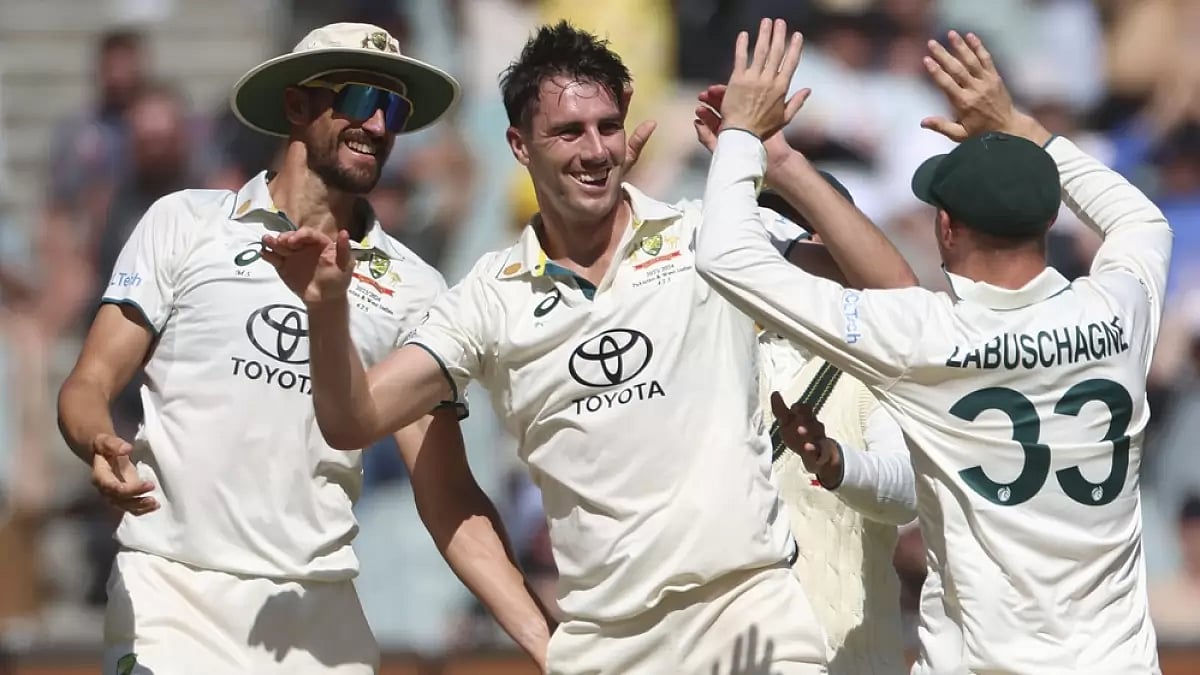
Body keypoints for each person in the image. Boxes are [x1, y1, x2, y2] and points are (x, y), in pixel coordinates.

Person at [261, 20, 917, 675]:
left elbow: (894, 291)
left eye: (608, 126)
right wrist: (327, 307)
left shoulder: (704, 235)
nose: (596, 150)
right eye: (568, 132)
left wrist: (783, 163)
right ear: (519, 146)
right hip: (605, 646)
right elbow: (353, 420)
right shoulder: (489, 297)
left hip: (752, 620)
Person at [57, 23, 550, 675]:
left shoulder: (416, 289)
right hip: (171, 594)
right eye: (359, 98)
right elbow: (89, 381)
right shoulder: (184, 223)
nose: (378, 124)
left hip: (321, 621)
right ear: (296, 105)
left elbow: (448, 494)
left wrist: (550, 644)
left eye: (394, 107)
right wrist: (97, 440)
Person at [696, 20, 1169, 674]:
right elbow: (1141, 220)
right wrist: (1018, 127)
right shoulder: (1120, 309)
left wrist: (746, 138)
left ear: (945, 228)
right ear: (1048, 217)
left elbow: (725, 257)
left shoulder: (924, 337)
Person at [757, 182, 917, 675]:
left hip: (850, 661)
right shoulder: (708, 352)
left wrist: (836, 463)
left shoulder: (877, 363)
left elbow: (906, 493)